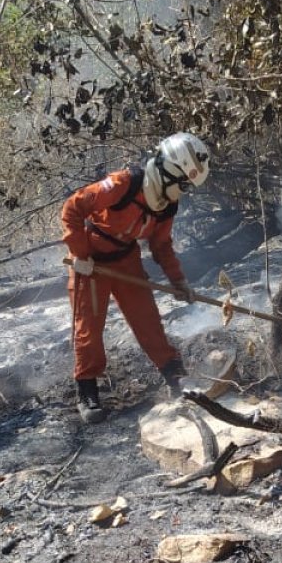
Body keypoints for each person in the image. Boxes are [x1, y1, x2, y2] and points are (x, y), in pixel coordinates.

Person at [61, 131, 210, 424]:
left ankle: (174, 373)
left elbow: (161, 245)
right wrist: (80, 254)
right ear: (169, 172)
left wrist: (178, 281)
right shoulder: (123, 184)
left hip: (126, 259)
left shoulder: (167, 206)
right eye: (183, 185)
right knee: (88, 328)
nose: (184, 192)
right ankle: (87, 390)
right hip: (91, 261)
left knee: (147, 319)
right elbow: (72, 208)